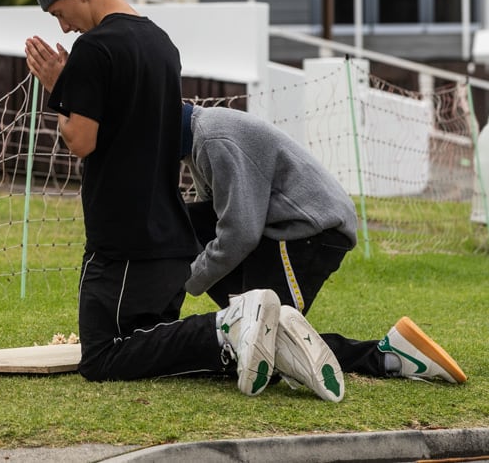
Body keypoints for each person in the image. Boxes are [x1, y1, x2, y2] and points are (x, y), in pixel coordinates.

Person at [24, 0, 340, 399]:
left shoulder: (94, 48)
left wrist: (58, 87)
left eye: (59, 12)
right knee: (153, 348)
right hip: (167, 237)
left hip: (122, 237)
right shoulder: (161, 44)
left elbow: (80, 141)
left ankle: (229, 326)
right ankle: (268, 340)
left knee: (100, 358)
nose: (63, 26)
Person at [181, 102, 467, 387]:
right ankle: (242, 329)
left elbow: (240, 233)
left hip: (308, 231)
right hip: (285, 230)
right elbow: (217, 219)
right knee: (254, 336)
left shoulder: (212, 139)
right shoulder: (202, 134)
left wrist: (185, 280)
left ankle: (390, 356)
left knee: (264, 346)